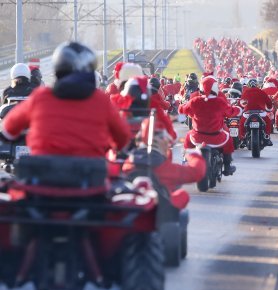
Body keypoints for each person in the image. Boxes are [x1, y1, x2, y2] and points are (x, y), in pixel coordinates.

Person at [2, 41, 131, 157]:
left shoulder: (41, 98)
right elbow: (122, 139)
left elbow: (8, 130)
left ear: (58, 69)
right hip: (90, 176)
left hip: (43, 176)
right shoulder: (101, 101)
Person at [123, 119, 206, 209]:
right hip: (157, 214)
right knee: (183, 195)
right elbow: (196, 172)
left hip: (126, 212)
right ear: (161, 142)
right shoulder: (165, 168)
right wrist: (194, 155)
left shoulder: (126, 163)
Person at [178, 76, 242, 176]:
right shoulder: (220, 101)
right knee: (229, 140)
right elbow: (231, 112)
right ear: (215, 88)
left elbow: (183, 110)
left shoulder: (195, 101)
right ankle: (227, 166)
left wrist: (181, 106)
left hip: (198, 136)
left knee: (188, 138)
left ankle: (186, 161)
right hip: (216, 137)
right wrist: (239, 109)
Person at [239, 78, 273, 146]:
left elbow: (241, 103)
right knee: (268, 122)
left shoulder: (245, 92)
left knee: (241, 124)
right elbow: (269, 103)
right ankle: (267, 136)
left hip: (248, 113)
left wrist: (243, 107)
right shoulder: (262, 92)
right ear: (257, 85)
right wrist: (269, 108)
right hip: (261, 113)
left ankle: (242, 138)